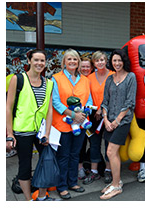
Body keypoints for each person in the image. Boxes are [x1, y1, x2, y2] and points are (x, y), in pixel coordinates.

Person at [6, 49, 57, 201]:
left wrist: (47, 133)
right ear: (29, 61)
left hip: (40, 131)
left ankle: (41, 196)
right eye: (36, 60)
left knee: (46, 162)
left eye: (42, 60)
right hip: (22, 129)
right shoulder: (18, 79)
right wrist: (9, 134)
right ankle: (29, 201)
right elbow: (8, 107)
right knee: (25, 166)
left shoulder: (49, 83)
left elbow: (49, 110)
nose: (39, 63)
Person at [52, 48, 93, 199]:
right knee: (63, 155)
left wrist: (82, 115)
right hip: (63, 123)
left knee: (75, 155)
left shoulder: (85, 80)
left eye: (75, 59)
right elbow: (55, 101)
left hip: (80, 123)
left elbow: (89, 100)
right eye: (69, 59)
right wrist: (72, 114)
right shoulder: (56, 78)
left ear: (78, 62)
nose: (72, 62)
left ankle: (72, 182)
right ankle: (62, 186)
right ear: (64, 62)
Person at [100, 49, 137, 200]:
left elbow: (130, 102)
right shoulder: (109, 79)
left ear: (124, 61)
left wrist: (116, 121)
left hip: (123, 121)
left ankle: (116, 186)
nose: (117, 63)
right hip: (109, 121)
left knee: (110, 151)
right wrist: (106, 119)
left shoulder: (131, 77)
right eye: (114, 61)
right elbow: (105, 101)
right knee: (111, 153)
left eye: (119, 60)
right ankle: (117, 181)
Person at [82, 51, 114, 185]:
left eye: (102, 60)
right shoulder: (89, 78)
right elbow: (86, 96)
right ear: (93, 63)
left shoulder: (113, 75)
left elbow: (115, 96)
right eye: (97, 61)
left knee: (108, 145)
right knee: (94, 144)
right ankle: (94, 172)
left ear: (106, 61)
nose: (100, 63)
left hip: (109, 115)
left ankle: (108, 170)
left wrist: (102, 109)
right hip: (93, 116)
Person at [78, 57, 93, 180]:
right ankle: (80, 168)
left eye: (87, 66)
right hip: (81, 116)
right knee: (81, 144)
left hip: (96, 115)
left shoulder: (94, 78)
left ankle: (93, 168)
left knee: (94, 144)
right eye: (83, 66)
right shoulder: (77, 80)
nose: (85, 69)